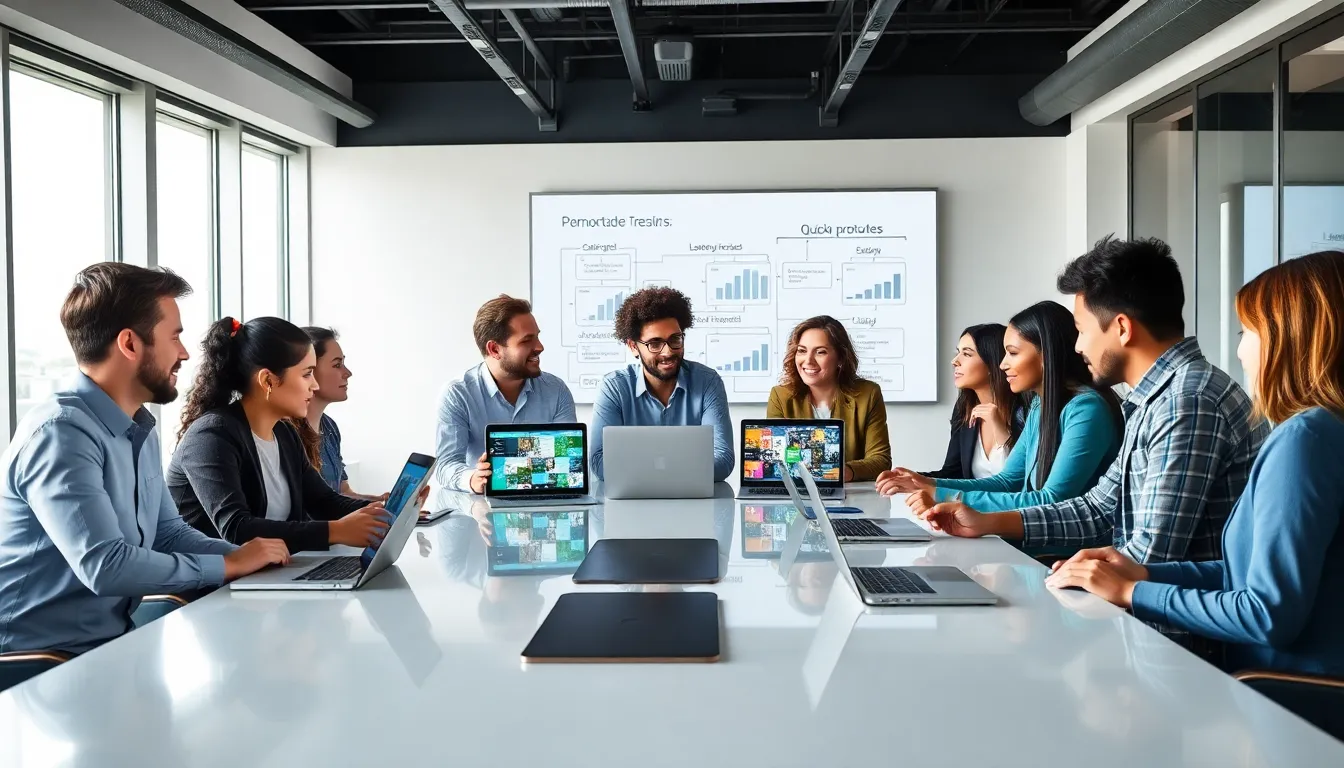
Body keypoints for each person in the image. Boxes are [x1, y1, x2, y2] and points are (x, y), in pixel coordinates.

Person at [1047, 251, 1344, 676]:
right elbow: (1245, 574)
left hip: (1285, 696)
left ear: (1290, 339)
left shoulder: (1305, 438)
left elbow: (1266, 613)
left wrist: (1132, 591)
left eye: (1247, 331)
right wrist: (1143, 575)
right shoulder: (1320, 431)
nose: (1240, 350)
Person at [920, 236, 1268, 569]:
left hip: (1167, 628)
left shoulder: (1186, 402)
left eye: (1082, 330)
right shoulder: (1157, 398)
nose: (1076, 347)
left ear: (1121, 328)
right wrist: (985, 521)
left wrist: (1072, 571)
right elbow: (1098, 510)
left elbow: (1151, 555)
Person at [0, 264, 289, 655]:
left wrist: (255, 559)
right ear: (130, 344)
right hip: (34, 664)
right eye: (175, 337)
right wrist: (229, 566)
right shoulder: (60, 434)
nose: (184, 354)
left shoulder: (138, 427)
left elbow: (169, 534)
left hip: (105, 647)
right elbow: (106, 565)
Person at [169, 316, 392, 553]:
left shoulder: (284, 433)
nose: (314, 386)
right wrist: (335, 531)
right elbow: (236, 528)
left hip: (264, 578)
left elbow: (323, 501)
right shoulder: (212, 435)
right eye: (307, 374)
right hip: (213, 587)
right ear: (268, 380)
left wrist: (388, 510)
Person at [877, 302, 1122, 513]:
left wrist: (943, 496)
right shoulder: (1040, 405)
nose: (1003, 364)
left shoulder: (1086, 409)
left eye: (1012, 353)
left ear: (1047, 354)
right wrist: (927, 484)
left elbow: (1051, 501)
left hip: (1067, 555)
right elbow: (1007, 481)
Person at [590, 287, 734, 481]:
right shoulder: (614, 388)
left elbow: (723, 458)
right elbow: (599, 461)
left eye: (675, 339)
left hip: (693, 503)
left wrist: (647, 471)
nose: (667, 352)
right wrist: (679, 470)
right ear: (633, 347)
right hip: (632, 503)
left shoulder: (708, 382)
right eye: (655, 344)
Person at [436, 295, 576, 494]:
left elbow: (569, 459)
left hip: (545, 499)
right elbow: (446, 465)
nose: (540, 347)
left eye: (537, 336)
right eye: (527, 340)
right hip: (481, 509)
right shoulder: (458, 394)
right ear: (494, 349)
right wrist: (473, 479)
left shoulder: (556, 390)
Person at [765, 316, 891, 481]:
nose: (808, 360)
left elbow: (881, 460)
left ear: (840, 358)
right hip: (796, 493)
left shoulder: (868, 394)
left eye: (820, 352)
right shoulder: (780, 396)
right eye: (802, 350)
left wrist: (845, 471)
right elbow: (776, 461)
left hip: (851, 494)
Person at [923, 323, 1025, 480]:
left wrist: (999, 428)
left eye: (967, 354)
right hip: (973, 504)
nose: (955, 361)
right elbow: (952, 473)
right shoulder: (963, 408)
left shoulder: (1027, 410)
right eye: (958, 352)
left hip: (1018, 504)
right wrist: (912, 477)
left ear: (993, 362)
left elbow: (1026, 476)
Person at [298, 326, 383, 500]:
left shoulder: (329, 427)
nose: (348, 373)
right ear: (309, 370)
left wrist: (384, 503)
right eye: (337, 365)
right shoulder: (286, 434)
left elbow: (343, 494)